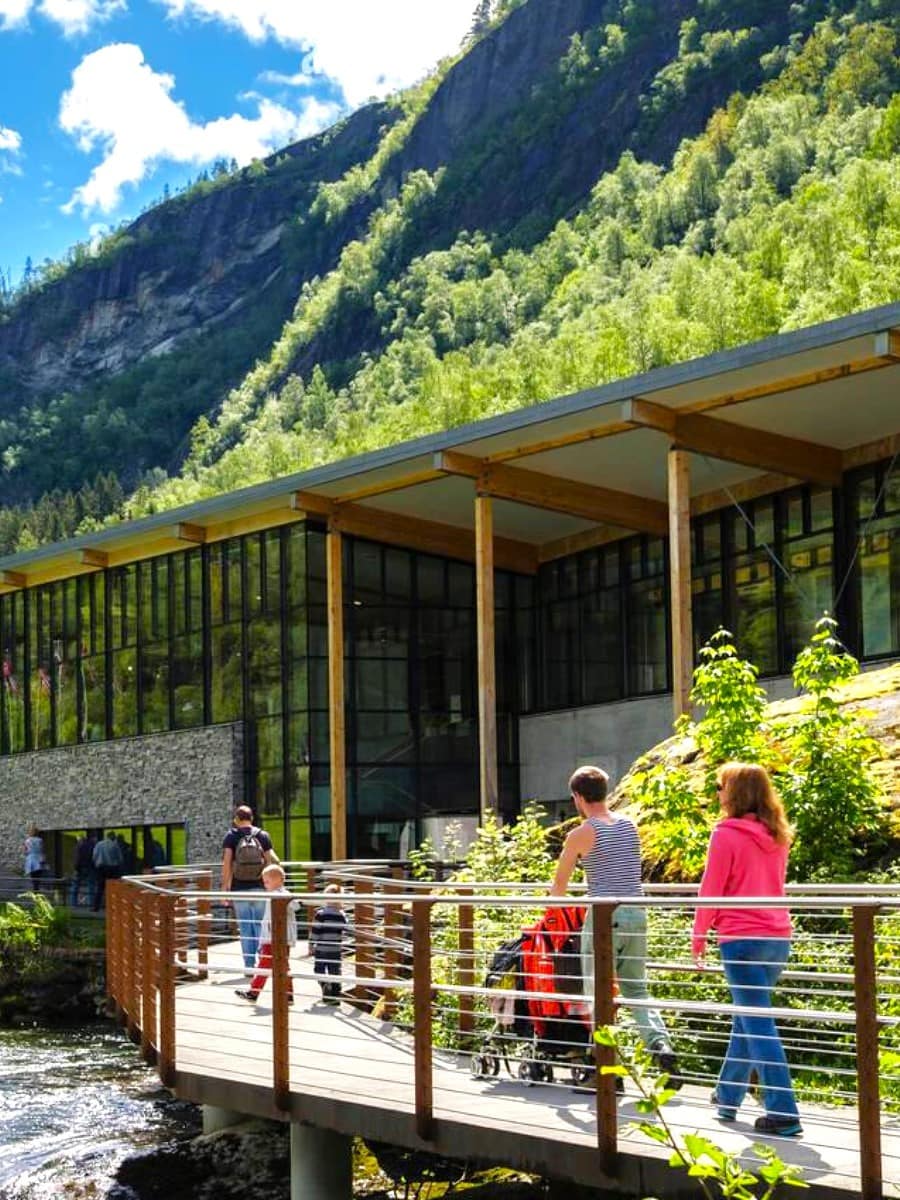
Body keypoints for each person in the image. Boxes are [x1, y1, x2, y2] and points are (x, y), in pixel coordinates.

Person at [551, 765, 682, 1086]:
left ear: (578, 797)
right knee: (637, 988)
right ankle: (660, 1044)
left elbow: (558, 888)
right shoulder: (629, 825)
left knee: (598, 994)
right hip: (637, 914)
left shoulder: (581, 832)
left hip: (604, 918)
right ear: (605, 792)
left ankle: (607, 1072)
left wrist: (554, 904)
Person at [692, 762, 802, 1137]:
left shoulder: (725, 834)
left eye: (720, 786)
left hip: (741, 939)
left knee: (757, 1024)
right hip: (777, 937)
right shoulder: (777, 834)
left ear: (734, 792)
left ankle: (784, 1112)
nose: (717, 793)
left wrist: (698, 936)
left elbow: (711, 889)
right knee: (748, 1019)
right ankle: (727, 1096)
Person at [221, 805, 278, 971]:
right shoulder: (262, 835)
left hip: (239, 888)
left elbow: (227, 864)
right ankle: (263, 963)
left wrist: (225, 888)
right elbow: (271, 861)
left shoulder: (231, 836)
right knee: (261, 925)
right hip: (260, 887)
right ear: (252, 818)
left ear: (236, 820)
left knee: (245, 927)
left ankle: (248, 966)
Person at [235, 863, 299, 1005]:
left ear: (279, 880)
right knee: (282, 966)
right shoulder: (272, 895)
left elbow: (295, 905)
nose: (265, 885)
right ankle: (288, 996)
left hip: (278, 938)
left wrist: (285, 900)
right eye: (264, 882)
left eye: (267, 881)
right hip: (272, 937)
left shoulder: (283, 894)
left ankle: (254, 992)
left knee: (266, 964)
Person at [309, 883, 349, 1005]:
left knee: (319, 969)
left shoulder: (321, 914)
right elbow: (346, 930)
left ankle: (325, 985)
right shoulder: (342, 915)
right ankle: (335, 996)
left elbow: (315, 931)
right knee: (335, 971)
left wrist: (311, 944)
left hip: (321, 948)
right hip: (335, 949)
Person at [92, 830, 124, 911]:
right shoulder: (114, 845)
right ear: (112, 836)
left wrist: (96, 864)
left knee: (100, 888)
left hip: (101, 868)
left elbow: (94, 856)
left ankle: (96, 907)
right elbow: (120, 858)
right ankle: (112, 906)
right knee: (113, 887)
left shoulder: (99, 844)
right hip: (112, 868)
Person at [70, 831, 98, 907]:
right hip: (89, 867)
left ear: (79, 839)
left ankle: (73, 904)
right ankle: (90, 904)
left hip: (80, 868)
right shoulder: (91, 846)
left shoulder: (78, 846)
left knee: (75, 886)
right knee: (91, 886)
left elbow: (77, 858)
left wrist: (76, 868)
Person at [23, 825, 46, 891]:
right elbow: (42, 849)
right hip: (39, 859)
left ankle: (35, 889)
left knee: (33, 877)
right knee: (38, 876)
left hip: (31, 860)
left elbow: (25, 852)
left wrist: (28, 852)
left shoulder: (27, 841)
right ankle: (37, 889)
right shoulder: (40, 840)